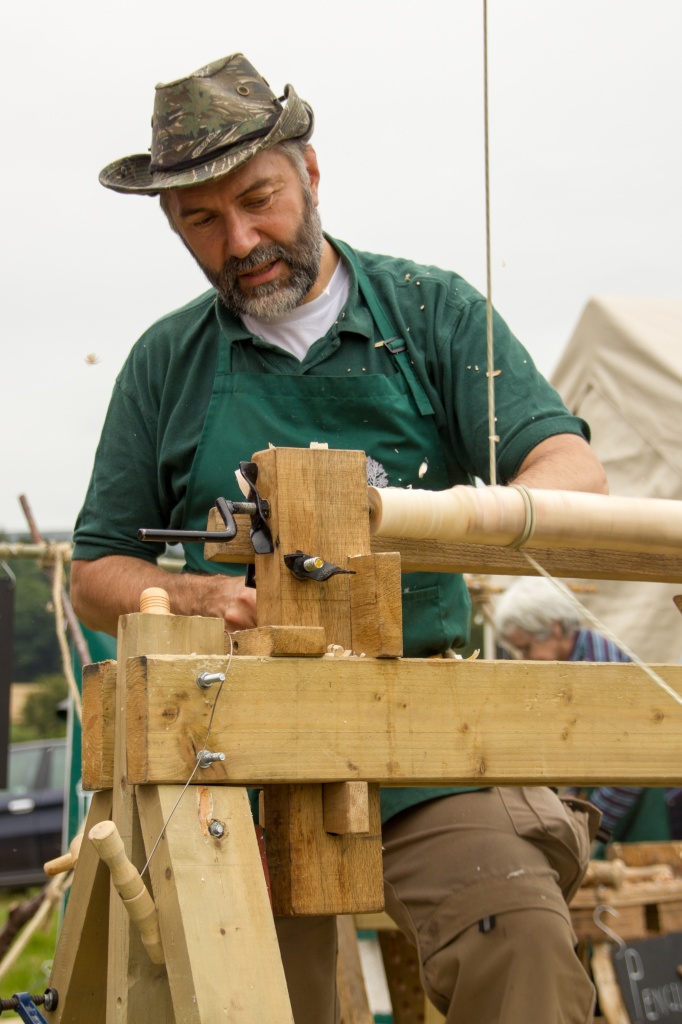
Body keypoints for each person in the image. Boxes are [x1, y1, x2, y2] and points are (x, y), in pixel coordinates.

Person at [71, 53, 610, 1024]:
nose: (241, 240)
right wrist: (210, 596)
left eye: (259, 199)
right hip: (224, 752)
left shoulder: (429, 310)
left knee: (516, 934)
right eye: (201, 220)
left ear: (309, 173)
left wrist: (437, 524)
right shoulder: (164, 363)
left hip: (415, 734)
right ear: (173, 225)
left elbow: (570, 473)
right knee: (238, 994)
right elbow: (95, 574)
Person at [494, 576, 674, 851]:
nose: (524, 660)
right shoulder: (572, 664)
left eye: (526, 648)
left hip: (641, 801)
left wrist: (589, 826)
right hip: (612, 796)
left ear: (554, 629)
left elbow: (632, 763)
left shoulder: (600, 668)